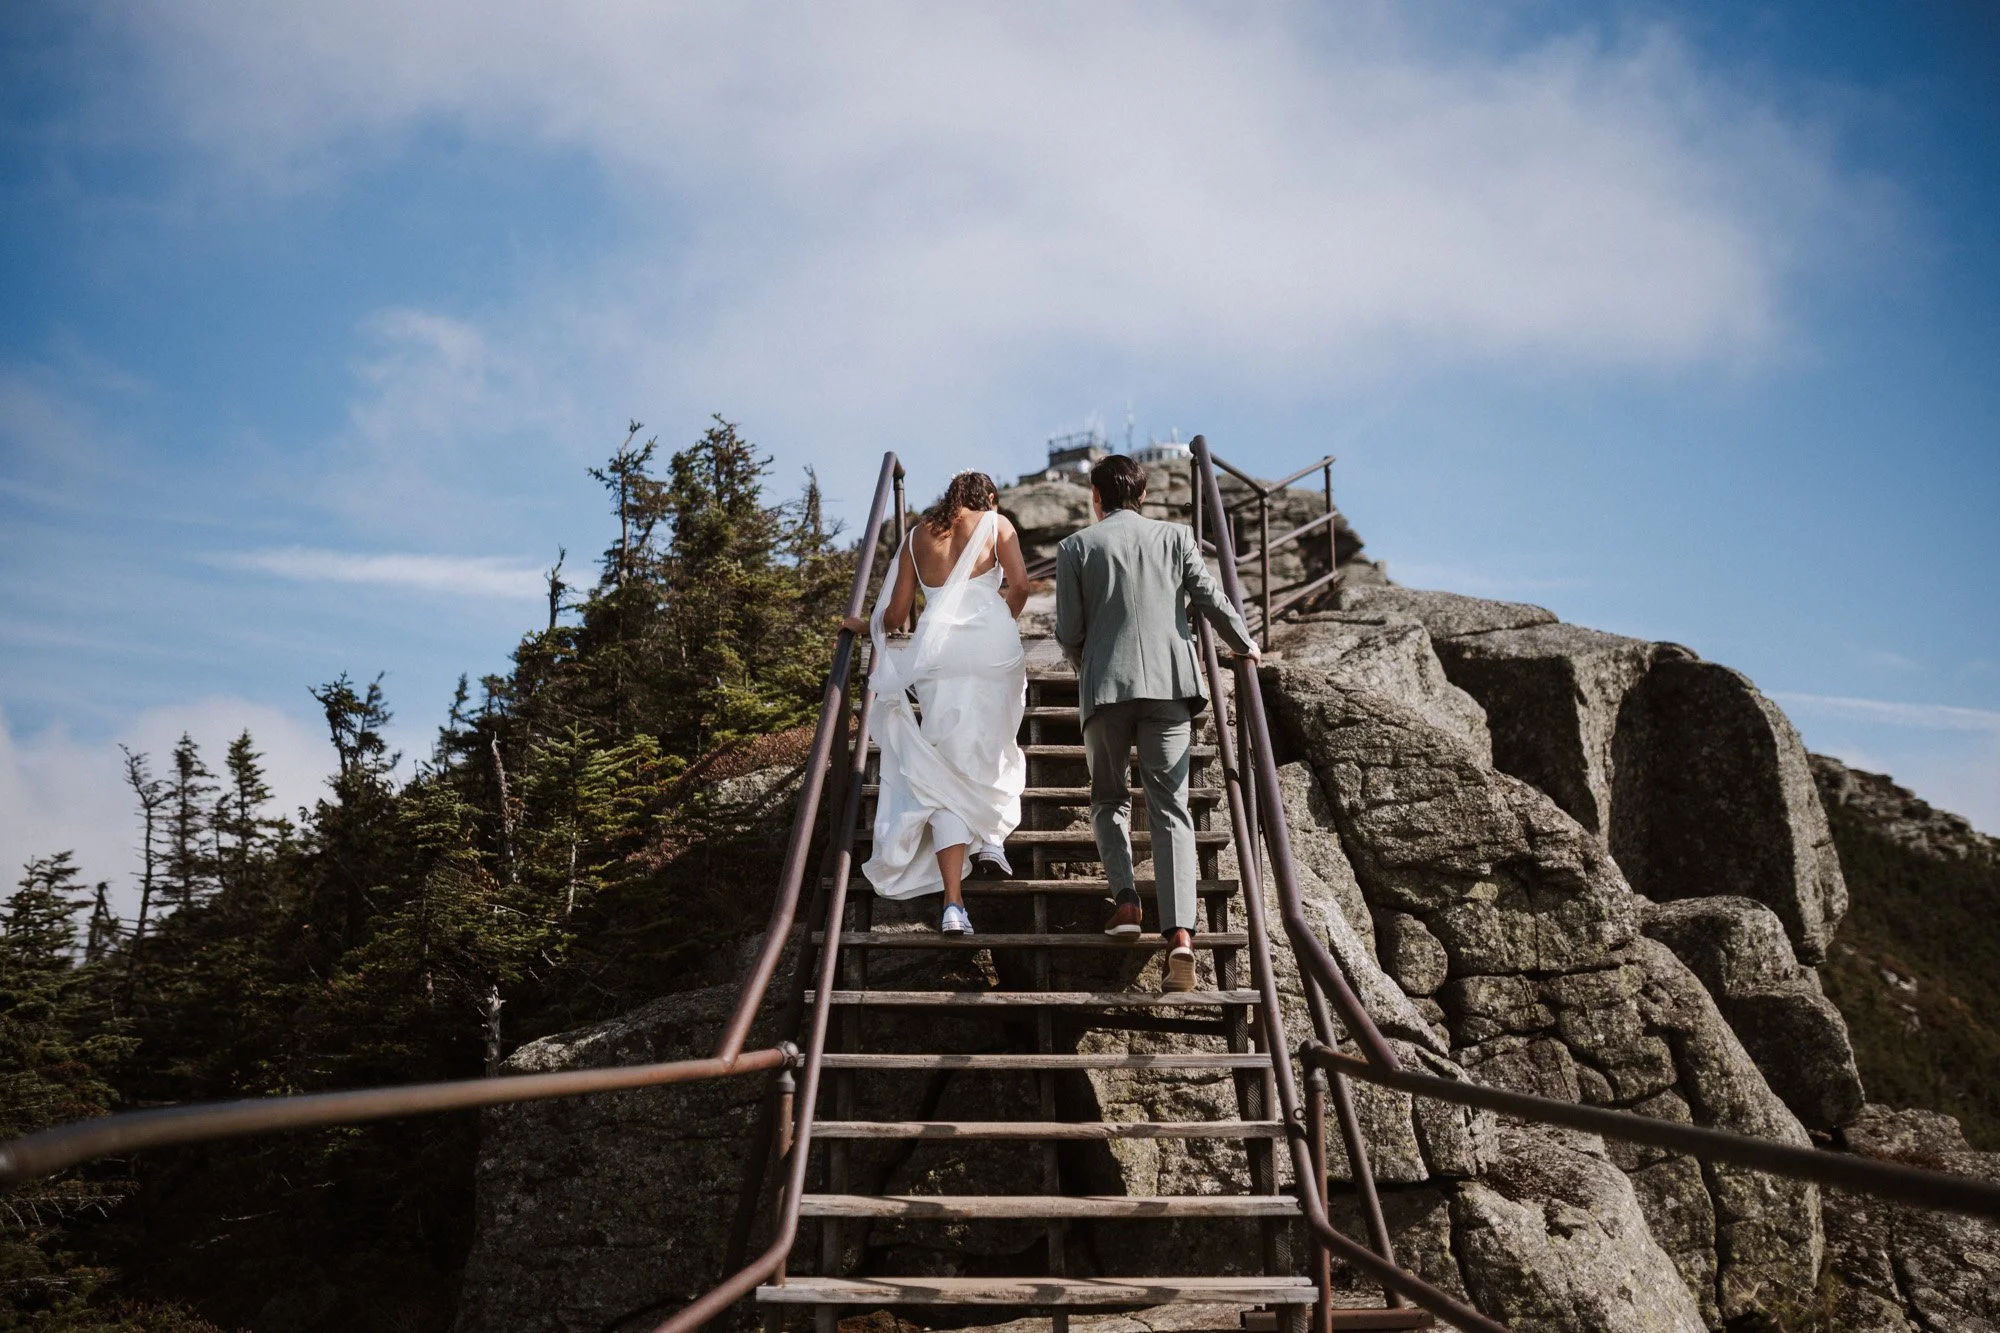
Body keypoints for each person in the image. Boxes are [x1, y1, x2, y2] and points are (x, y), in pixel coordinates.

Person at [1054, 455, 1259, 992]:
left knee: (1108, 799)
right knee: (1171, 808)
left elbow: (1068, 631)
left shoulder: (1076, 547)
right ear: (1141, 495)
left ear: (1095, 496)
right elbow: (1210, 599)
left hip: (1105, 690)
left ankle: (1125, 902)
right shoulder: (1176, 538)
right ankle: (1182, 938)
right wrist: (1245, 646)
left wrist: (1090, 667)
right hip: (1170, 689)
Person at [845, 471, 1029, 934]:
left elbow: (896, 614)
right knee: (997, 744)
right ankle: (992, 840)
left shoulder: (916, 537)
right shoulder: (996, 523)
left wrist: (862, 624)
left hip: (938, 658)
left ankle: (953, 905)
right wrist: (995, 622)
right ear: (987, 496)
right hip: (993, 648)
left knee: (943, 770)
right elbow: (1021, 587)